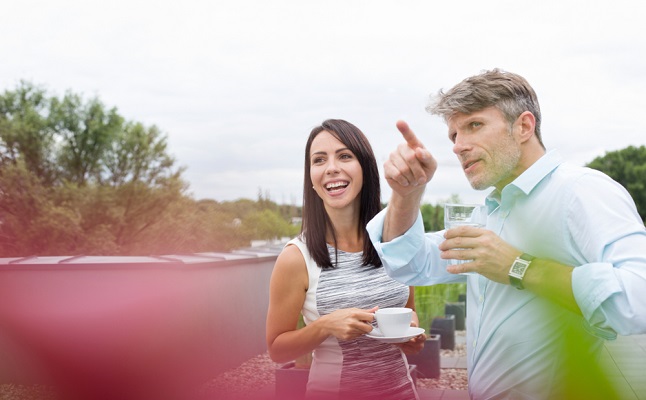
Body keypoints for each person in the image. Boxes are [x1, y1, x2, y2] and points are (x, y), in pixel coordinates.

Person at [366, 69, 646, 399]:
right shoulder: (490, 212)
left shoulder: (581, 191)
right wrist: (407, 193)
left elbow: (638, 297)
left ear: (523, 126)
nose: (458, 146)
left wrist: (519, 267)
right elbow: (411, 263)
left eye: (474, 125)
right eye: (453, 135)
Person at [266, 119, 424, 400]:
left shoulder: (393, 241)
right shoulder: (296, 257)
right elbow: (277, 350)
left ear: (365, 167)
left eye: (344, 156)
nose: (331, 168)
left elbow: (408, 311)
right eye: (319, 160)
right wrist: (324, 325)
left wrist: (409, 334)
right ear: (311, 177)